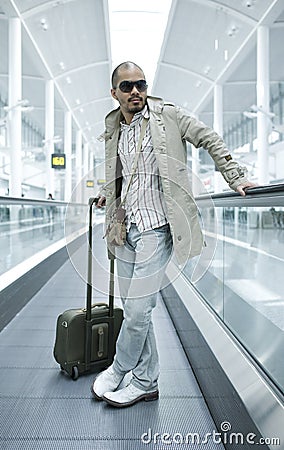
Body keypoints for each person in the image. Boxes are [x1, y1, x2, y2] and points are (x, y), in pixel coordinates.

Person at [92, 61, 256, 408]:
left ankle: (119, 368)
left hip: (157, 227)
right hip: (125, 228)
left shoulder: (169, 116)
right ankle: (146, 383)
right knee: (139, 310)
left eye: (141, 84)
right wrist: (111, 191)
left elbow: (208, 138)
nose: (135, 91)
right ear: (114, 93)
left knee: (137, 312)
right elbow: (120, 171)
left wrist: (235, 175)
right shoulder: (114, 127)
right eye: (127, 86)